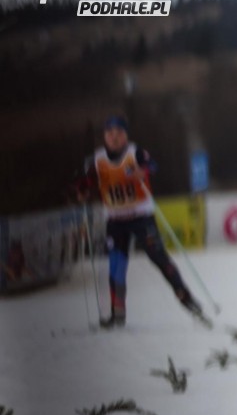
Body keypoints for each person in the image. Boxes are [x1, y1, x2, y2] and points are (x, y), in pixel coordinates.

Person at [75, 116, 209, 328]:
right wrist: (82, 191)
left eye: (119, 133)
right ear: (105, 137)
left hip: (141, 218)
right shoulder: (97, 160)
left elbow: (152, 165)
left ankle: (186, 298)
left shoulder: (135, 153)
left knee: (159, 258)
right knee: (116, 266)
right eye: (110, 134)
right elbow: (85, 182)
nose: (114, 138)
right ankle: (117, 313)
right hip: (115, 221)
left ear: (125, 135)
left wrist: (142, 171)